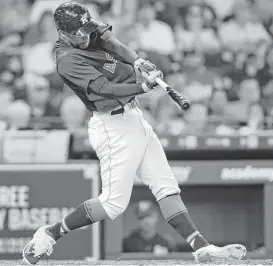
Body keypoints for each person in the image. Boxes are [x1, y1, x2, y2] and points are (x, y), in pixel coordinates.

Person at [22, 2, 247, 265]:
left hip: (133, 117)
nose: (86, 36)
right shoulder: (67, 60)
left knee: (166, 186)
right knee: (112, 204)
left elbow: (113, 43)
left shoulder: (89, 31)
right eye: (79, 33)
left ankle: (201, 248)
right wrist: (142, 86)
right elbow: (103, 88)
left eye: (86, 29)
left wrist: (137, 61)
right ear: (64, 33)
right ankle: (49, 234)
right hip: (112, 126)